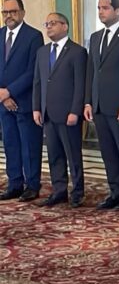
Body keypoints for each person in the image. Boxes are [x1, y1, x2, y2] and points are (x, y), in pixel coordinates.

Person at [84, 0, 119, 211]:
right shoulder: (95, 37)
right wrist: (88, 102)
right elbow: (91, 71)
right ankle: (115, 192)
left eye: (105, 8)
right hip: (98, 105)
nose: (101, 12)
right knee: (107, 152)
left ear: (117, 10)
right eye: (99, 8)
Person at [32, 13, 87, 208]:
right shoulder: (42, 52)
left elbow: (80, 84)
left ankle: (78, 192)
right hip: (48, 113)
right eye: (47, 24)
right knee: (54, 155)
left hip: (68, 113)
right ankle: (59, 190)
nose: (49, 27)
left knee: (73, 155)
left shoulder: (78, 52)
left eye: (53, 23)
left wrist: (75, 111)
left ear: (65, 26)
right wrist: (36, 108)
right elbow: (38, 82)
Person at [0, 0, 44, 202]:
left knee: (29, 145)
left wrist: (10, 91)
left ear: (22, 13)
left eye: (13, 11)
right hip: (3, 103)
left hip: (25, 101)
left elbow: (32, 71)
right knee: (10, 145)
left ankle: (32, 185)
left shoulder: (33, 36)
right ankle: (15, 184)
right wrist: (2, 95)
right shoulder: (0, 34)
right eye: (5, 12)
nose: (9, 16)